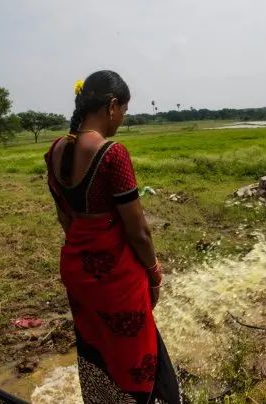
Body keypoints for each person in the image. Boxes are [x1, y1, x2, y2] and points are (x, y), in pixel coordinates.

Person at [45, 70, 180, 404]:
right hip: (116, 277)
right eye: (124, 109)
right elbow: (138, 231)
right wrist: (153, 271)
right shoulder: (112, 154)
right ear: (111, 105)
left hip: (79, 272)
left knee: (97, 345)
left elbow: (65, 218)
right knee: (134, 354)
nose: (123, 117)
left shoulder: (55, 150)